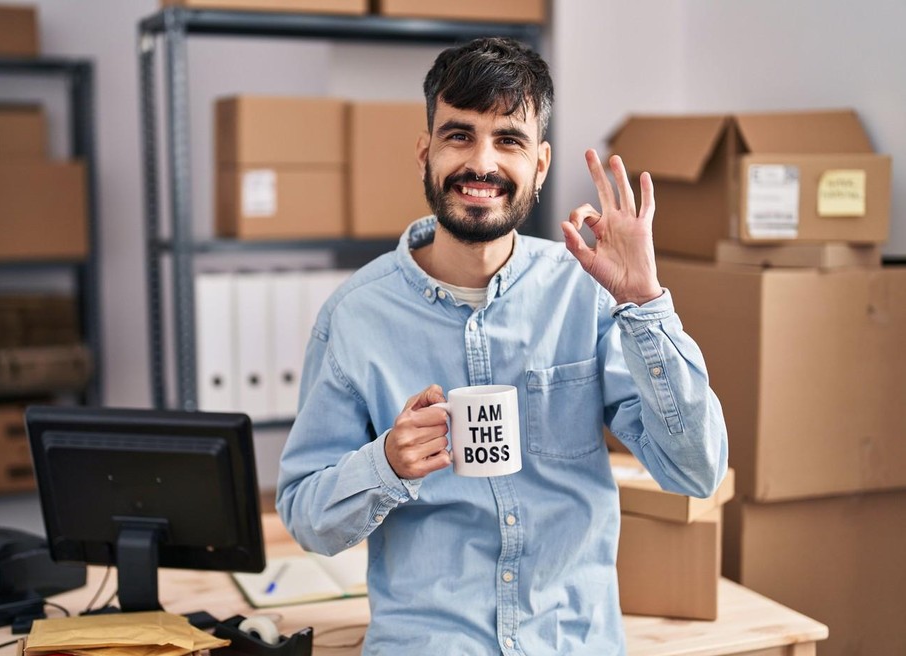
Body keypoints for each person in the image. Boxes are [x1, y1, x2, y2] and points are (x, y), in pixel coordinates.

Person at [276, 36, 728, 655]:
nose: (481, 163)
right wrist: (385, 464)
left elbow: (696, 472)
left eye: (508, 140)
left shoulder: (586, 292)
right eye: (459, 135)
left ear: (539, 165)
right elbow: (304, 515)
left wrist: (644, 304)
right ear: (425, 153)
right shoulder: (355, 316)